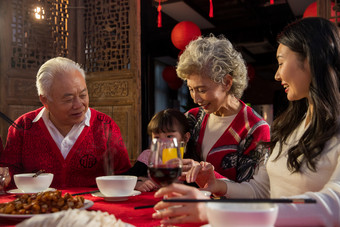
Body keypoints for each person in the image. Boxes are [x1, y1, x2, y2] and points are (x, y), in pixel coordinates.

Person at [152, 17, 340, 226]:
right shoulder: (291, 126)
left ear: (311, 60)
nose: (277, 75)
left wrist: (212, 210)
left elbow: (334, 205)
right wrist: (217, 185)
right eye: (191, 89)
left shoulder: (257, 128)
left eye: (280, 62)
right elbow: (261, 191)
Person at [0, 57, 131, 188]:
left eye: (83, 95)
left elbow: (124, 175)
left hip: (93, 207)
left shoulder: (105, 125)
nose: (79, 105)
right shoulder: (23, 126)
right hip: (39, 207)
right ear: (45, 100)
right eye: (68, 100)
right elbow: (8, 177)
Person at [176, 34, 270, 182]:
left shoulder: (254, 129)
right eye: (191, 89)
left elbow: (254, 192)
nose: (196, 99)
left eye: (201, 90)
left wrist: (208, 176)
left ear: (227, 82)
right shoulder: (191, 118)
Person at [125, 108, 192, 192]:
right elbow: (126, 178)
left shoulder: (189, 161)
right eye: (157, 138)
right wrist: (138, 182)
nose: (162, 142)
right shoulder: (148, 157)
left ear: (185, 138)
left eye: (169, 136)